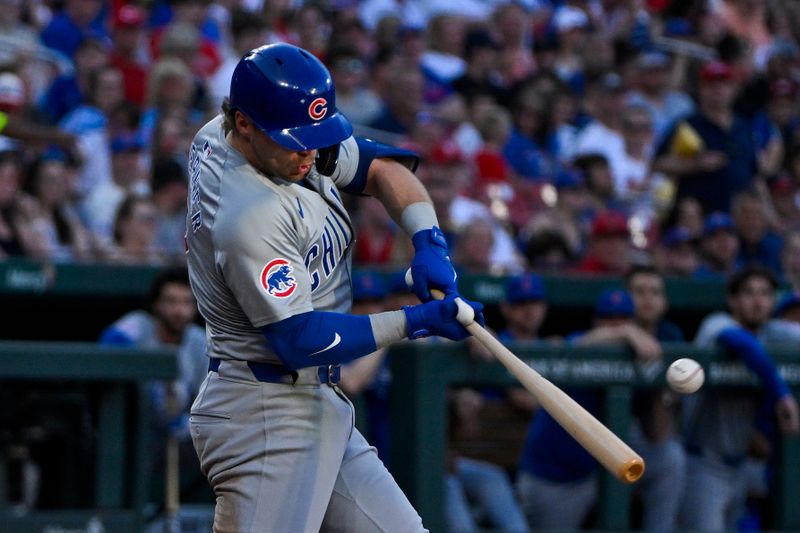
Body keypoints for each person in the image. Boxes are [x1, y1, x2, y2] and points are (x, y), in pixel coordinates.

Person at [185, 43, 484, 532]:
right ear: (243, 124)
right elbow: (301, 340)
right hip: (263, 413)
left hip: (314, 404)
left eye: (315, 136)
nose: (310, 152)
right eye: (295, 139)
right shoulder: (246, 213)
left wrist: (428, 240)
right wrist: (414, 321)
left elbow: (383, 169)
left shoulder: (274, 139)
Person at [516, 289, 662, 529]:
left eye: (623, 319)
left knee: (669, 458)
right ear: (596, 322)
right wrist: (625, 332)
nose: (615, 325)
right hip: (553, 480)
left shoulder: (640, 358)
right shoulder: (580, 342)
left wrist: (661, 393)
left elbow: (657, 434)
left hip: (601, 476)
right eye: (608, 319)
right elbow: (579, 345)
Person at [682, 266, 800, 531]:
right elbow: (742, 343)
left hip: (740, 468)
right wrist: (782, 394)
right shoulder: (716, 324)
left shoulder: (771, 333)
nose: (758, 301)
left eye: (765, 294)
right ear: (733, 299)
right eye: (748, 293)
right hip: (701, 465)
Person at [99, 267, 207, 477]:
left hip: (180, 436)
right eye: (171, 301)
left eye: (186, 302)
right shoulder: (139, 325)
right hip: (137, 433)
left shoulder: (198, 341)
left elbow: (208, 398)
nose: (179, 311)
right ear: (156, 304)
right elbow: (109, 343)